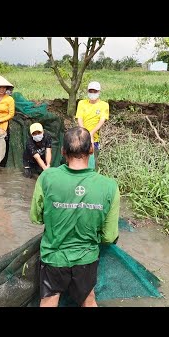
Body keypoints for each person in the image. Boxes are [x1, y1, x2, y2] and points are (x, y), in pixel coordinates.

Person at [30, 126, 120, 307]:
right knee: (89, 299)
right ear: (92, 150)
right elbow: (109, 237)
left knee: (49, 300)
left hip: (53, 258)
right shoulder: (109, 186)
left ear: (63, 151)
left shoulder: (47, 177)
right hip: (86, 259)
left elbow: (36, 218)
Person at [75, 81, 109, 170]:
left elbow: (102, 121)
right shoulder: (82, 103)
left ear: (99, 92)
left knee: (93, 161)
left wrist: (91, 133)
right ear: (87, 91)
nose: (93, 93)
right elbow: (79, 118)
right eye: (91, 91)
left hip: (95, 138)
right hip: (81, 137)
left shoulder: (104, 105)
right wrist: (85, 133)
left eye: (95, 91)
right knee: (80, 159)